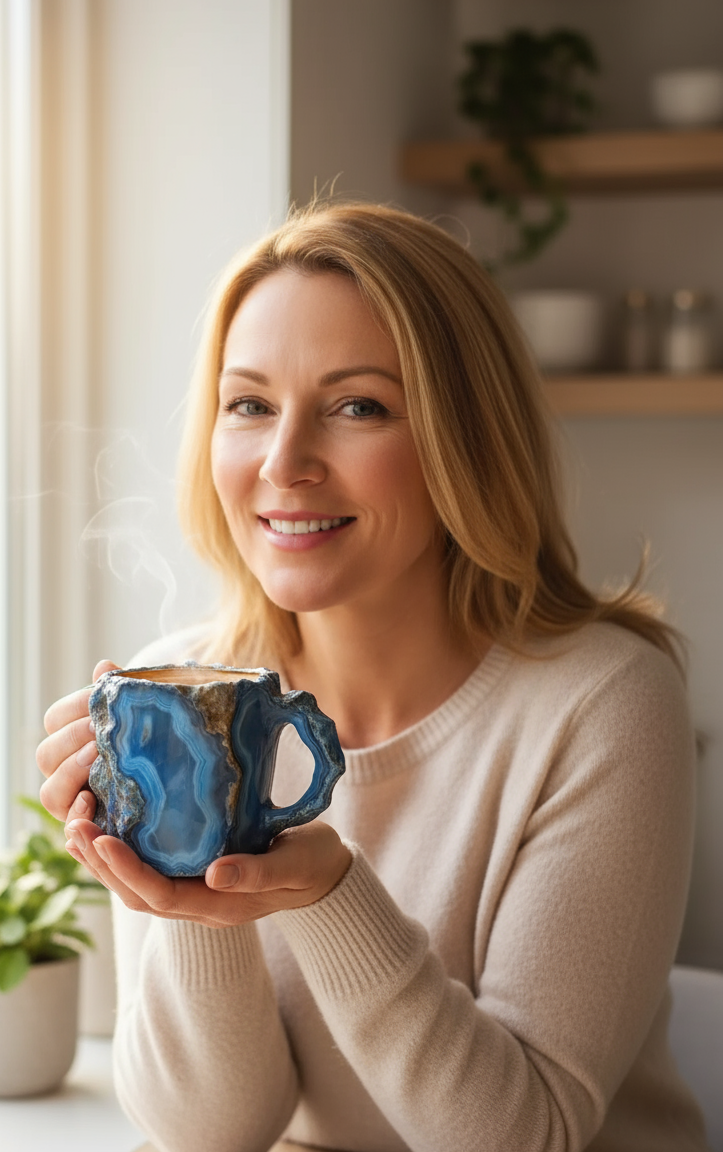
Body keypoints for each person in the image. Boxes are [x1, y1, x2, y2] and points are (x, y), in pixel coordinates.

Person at [36, 202, 709, 1152]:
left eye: (358, 406)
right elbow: (213, 1133)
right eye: (250, 404)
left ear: (460, 440)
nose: (284, 463)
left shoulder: (601, 706)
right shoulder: (173, 705)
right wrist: (186, 886)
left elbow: (530, 1134)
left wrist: (328, 894)